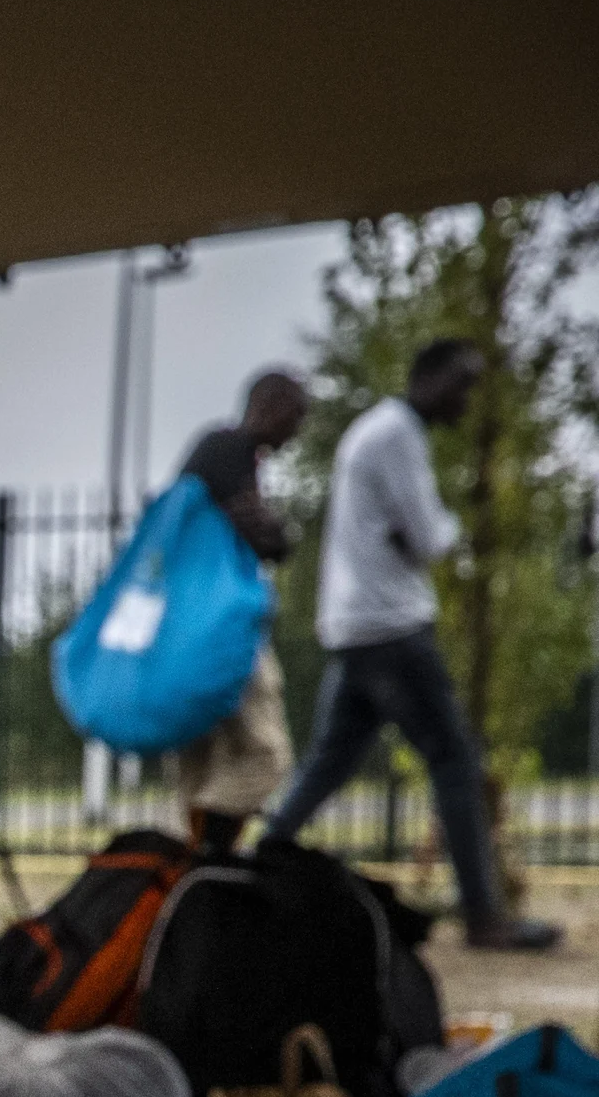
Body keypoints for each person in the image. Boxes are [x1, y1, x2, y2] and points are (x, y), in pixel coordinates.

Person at [261, 339, 560, 950]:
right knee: (454, 760)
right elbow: (431, 540)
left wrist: (413, 535)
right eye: (462, 382)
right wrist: (433, 531)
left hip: (355, 627)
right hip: (391, 627)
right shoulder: (396, 434)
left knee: (331, 761)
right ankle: (485, 917)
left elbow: (411, 536)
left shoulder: (375, 431)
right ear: (428, 377)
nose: (467, 399)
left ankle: (258, 859)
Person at [168, 369, 314, 842]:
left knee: (202, 763)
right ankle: (207, 853)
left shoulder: (209, 455)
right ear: (269, 405)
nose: (298, 430)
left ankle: (191, 871)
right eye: (296, 416)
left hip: (184, 631)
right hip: (219, 632)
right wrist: (280, 534)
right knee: (263, 758)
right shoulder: (231, 450)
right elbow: (266, 538)